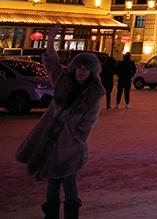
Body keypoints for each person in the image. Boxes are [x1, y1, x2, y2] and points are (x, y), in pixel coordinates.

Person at [16, 27, 103, 219]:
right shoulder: (64, 82)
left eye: (86, 68)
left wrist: (76, 136)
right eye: (79, 67)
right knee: (52, 181)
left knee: (69, 181)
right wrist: (51, 39)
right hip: (50, 142)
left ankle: (71, 214)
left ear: (92, 72)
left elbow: (88, 121)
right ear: (74, 68)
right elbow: (52, 64)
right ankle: (51, 214)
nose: (82, 71)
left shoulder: (93, 94)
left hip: (70, 145)